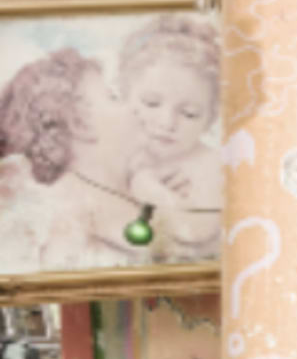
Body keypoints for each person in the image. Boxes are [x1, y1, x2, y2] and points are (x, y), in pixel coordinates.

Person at [0, 46, 155, 274]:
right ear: (79, 124)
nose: (133, 107)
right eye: (113, 97)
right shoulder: (64, 214)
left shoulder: (130, 188)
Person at [113, 16, 221, 258]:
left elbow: (194, 233)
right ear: (124, 94)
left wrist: (147, 187)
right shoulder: (116, 149)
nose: (167, 123)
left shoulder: (210, 165)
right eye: (152, 103)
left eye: (189, 113)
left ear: (210, 119)